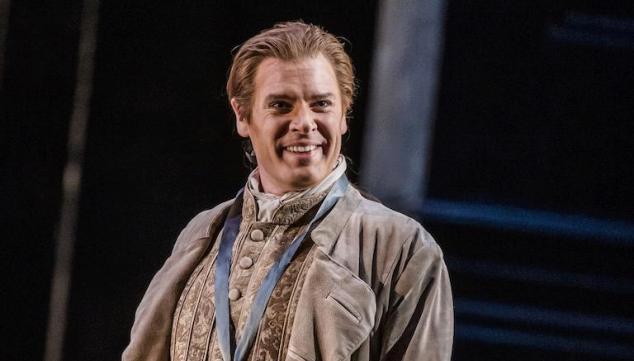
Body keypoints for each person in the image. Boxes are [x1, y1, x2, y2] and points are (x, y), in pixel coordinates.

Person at [123, 21, 453, 361]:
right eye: (281, 105)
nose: (304, 122)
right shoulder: (203, 233)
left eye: (321, 104)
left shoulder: (399, 248)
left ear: (344, 113)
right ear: (242, 115)